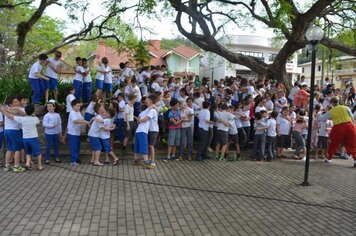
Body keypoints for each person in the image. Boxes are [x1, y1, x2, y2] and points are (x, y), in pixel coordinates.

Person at [318, 97, 356, 167]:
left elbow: (320, 118)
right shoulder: (346, 107)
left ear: (332, 103)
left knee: (334, 143)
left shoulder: (331, 110)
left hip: (339, 127)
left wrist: (320, 113)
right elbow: (352, 117)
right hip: (350, 125)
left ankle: (329, 158)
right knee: (351, 144)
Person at [8, 104, 43, 170]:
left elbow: (11, 116)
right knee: (38, 152)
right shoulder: (35, 119)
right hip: (33, 138)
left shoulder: (22, 119)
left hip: (25, 139)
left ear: (25, 111)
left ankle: (27, 163)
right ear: (33, 111)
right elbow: (38, 121)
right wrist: (33, 114)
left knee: (28, 152)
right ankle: (40, 166)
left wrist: (5, 110)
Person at [2, 96, 26, 172]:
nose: (18, 103)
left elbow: (23, 113)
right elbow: (14, 113)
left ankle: (7, 166)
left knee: (10, 149)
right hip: (14, 131)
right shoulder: (10, 109)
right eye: (15, 102)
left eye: (17, 101)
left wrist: (4, 110)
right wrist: (5, 109)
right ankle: (16, 166)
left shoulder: (9, 108)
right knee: (17, 149)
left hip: (7, 131)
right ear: (10, 104)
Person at [133, 95, 157, 168]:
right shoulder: (148, 111)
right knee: (144, 146)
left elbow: (138, 121)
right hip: (143, 131)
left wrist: (139, 120)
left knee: (137, 145)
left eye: (148, 101)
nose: (147, 102)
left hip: (138, 131)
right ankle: (146, 161)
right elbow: (145, 119)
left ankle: (136, 159)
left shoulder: (142, 113)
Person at [67, 100, 90, 165]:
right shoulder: (72, 113)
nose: (79, 107)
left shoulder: (78, 112)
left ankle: (76, 159)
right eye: (77, 106)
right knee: (73, 147)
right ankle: (73, 161)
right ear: (73, 106)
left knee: (77, 147)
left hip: (77, 133)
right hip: (72, 133)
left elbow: (82, 119)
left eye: (79, 106)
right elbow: (75, 121)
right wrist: (84, 122)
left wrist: (88, 122)